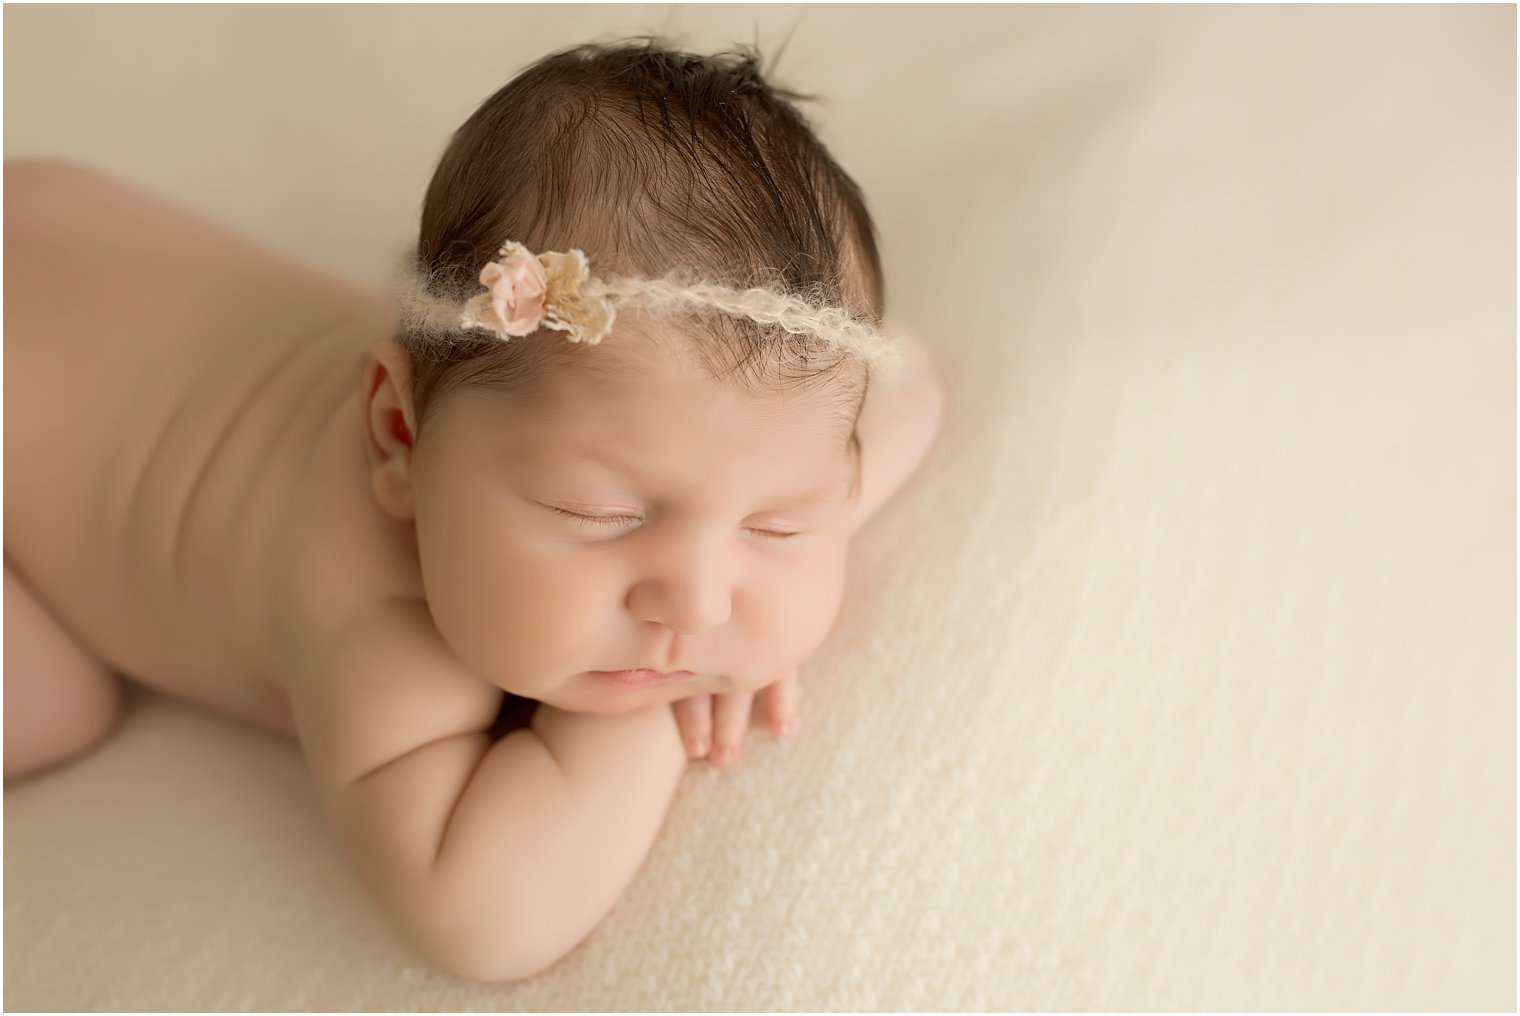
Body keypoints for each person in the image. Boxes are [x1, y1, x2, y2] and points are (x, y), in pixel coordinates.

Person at [3, 40, 944, 981]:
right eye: (600, 513)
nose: (696, 604)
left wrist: (775, 567)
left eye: (778, 523)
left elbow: (906, 386)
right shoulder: (371, 619)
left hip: (53, 226)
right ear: (399, 440)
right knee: (54, 706)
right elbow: (480, 915)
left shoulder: (574, 432)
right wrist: (647, 714)